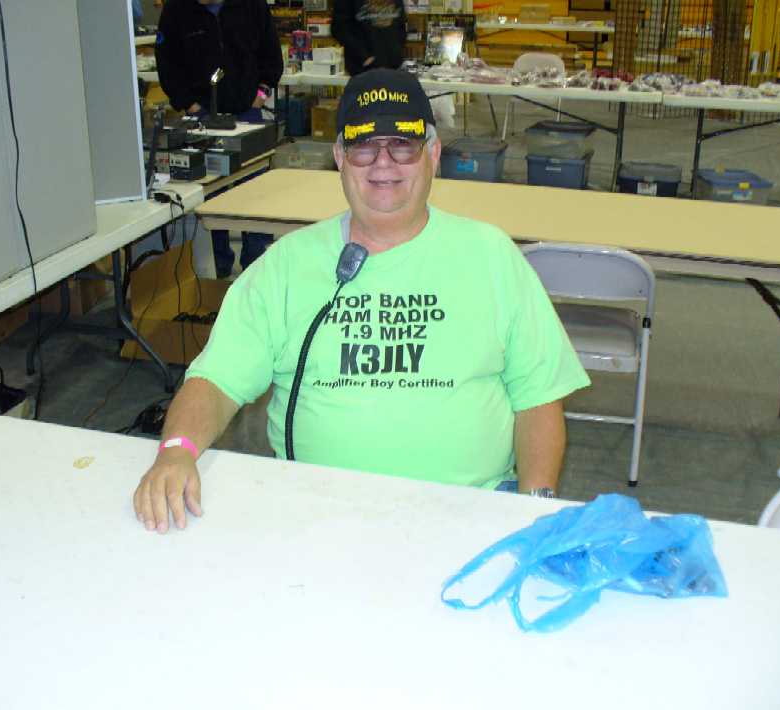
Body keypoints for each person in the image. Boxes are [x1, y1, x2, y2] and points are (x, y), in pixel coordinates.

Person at [133, 69, 590, 533]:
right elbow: (215, 381)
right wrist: (176, 453)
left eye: (403, 144)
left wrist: (536, 510)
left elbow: (538, 399)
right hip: (318, 515)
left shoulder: (491, 256)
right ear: (339, 158)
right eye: (363, 146)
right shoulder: (286, 265)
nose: (382, 164)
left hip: (472, 514)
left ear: (433, 154)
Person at [155, 0, 283, 277]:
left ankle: (256, 267)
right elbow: (167, 64)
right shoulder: (177, 9)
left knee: (256, 191)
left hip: (248, 113)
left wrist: (260, 96)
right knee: (210, 195)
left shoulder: (252, 5)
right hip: (202, 118)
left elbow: (271, 57)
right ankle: (218, 267)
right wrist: (189, 105)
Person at [332, 0, 407, 77]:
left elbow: (401, 25)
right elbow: (339, 29)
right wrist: (363, 56)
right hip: (363, 69)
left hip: (393, 66)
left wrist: (397, 52)